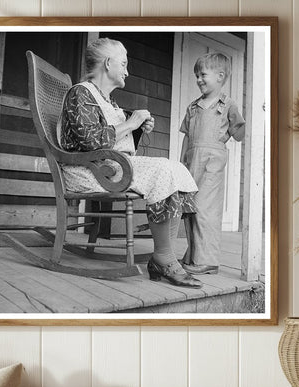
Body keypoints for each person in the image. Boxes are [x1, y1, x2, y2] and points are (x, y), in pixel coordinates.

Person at [60, 37, 201, 288]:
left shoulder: (106, 100)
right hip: (87, 170)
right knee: (161, 170)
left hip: (108, 166)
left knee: (176, 168)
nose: (128, 70)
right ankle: (165, 259)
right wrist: (131, 123)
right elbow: (91, 141)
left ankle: (163, 255)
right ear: (108, 63)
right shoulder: (80, 93)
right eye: (123, 63)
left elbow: (116, 140)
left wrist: (137, 129)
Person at [180, 53, 245, 275]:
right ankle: (194, 255)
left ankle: (208, 260)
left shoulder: (228, 105)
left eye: (203, 74)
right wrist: (181, 163)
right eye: (196, 75)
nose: (198, 79)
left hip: (212, 162)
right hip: (191, 161)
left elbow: (239, 134)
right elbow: (187, 136)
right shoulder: (193, 107)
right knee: (189, 208)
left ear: (220, 76)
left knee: (205, 209)